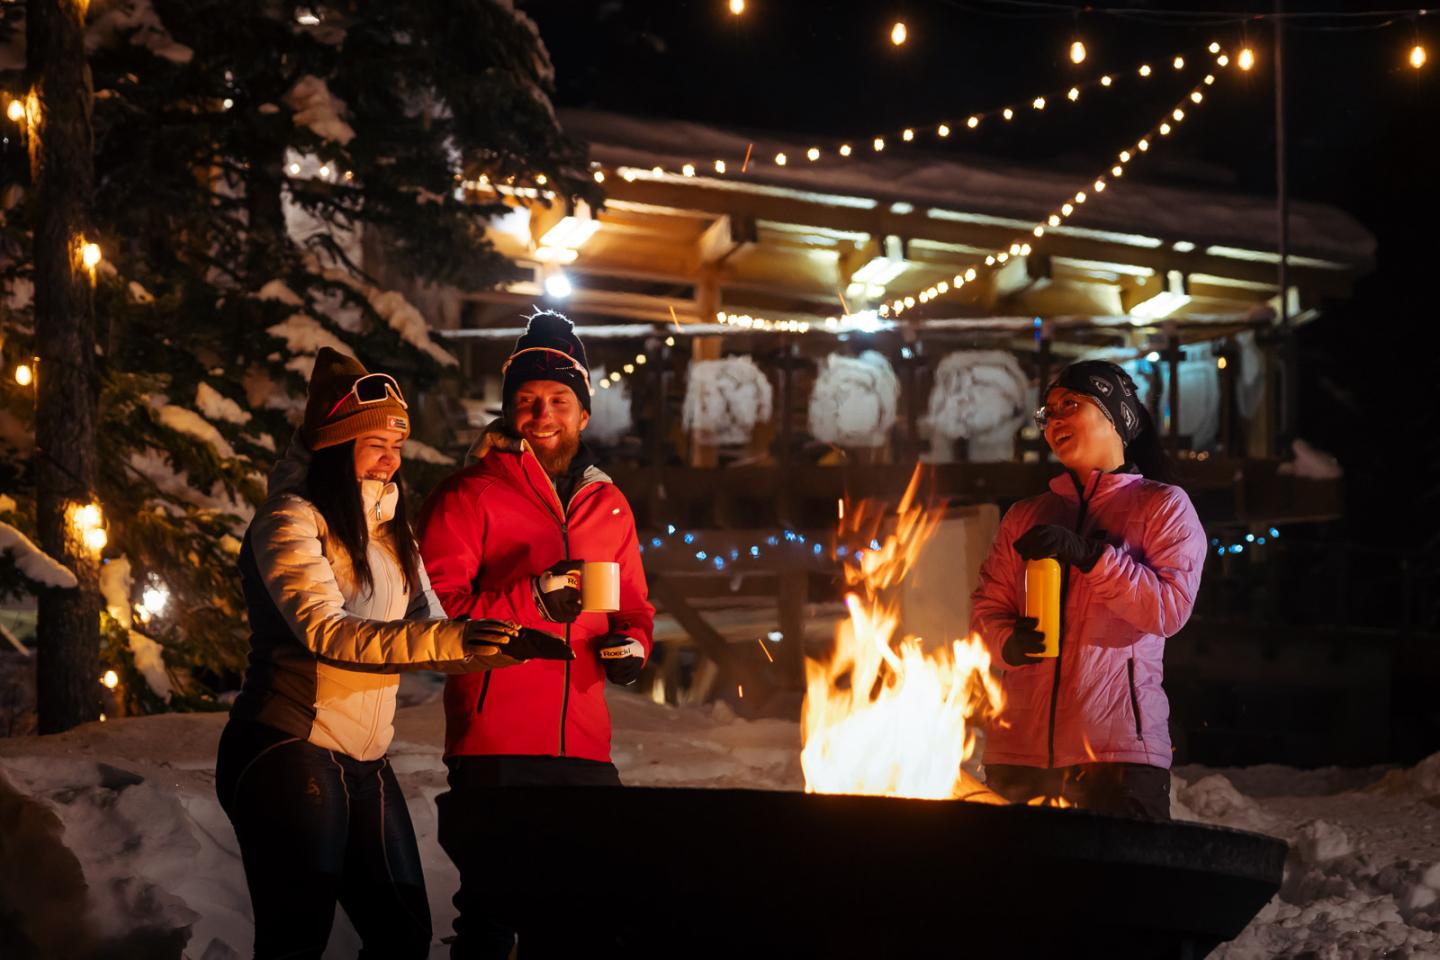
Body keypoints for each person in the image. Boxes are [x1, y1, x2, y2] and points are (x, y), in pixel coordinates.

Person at [216, 347, 571, 959]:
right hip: (288, 747)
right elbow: (328, 631)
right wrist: (455, 638)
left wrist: (501, 640)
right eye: (375, 440)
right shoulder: (290, 519)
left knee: (402, 935)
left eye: (398, 443)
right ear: (333, 443)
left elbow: (431, 628)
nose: (391, 455)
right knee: (295, 939)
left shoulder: (389, 529)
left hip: (364, 756)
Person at [418, 310, 655, 958]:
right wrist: (536, 599)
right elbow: (440, 614)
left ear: (583, 413)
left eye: (557, 400)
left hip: (584, 746)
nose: (542, 413)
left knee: (589, 913)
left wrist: (633, 647)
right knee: (494, 914)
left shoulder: (607, 504)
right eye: (526, 401)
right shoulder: (468, 495)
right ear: (507, 412)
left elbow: (633, 606)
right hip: (496, 743)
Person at [970, 359, 1207, 820]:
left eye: (1070, 405)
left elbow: (1167, 610)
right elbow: (986, 608)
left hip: (1117, 756)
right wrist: (1007, 643)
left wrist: (1092, 557)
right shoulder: (1026, 514)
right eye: (1048, 412)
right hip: (1019, 754)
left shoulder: (1164, 506)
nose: (1053, 420)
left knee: (1120, 892)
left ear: (1115, 417)